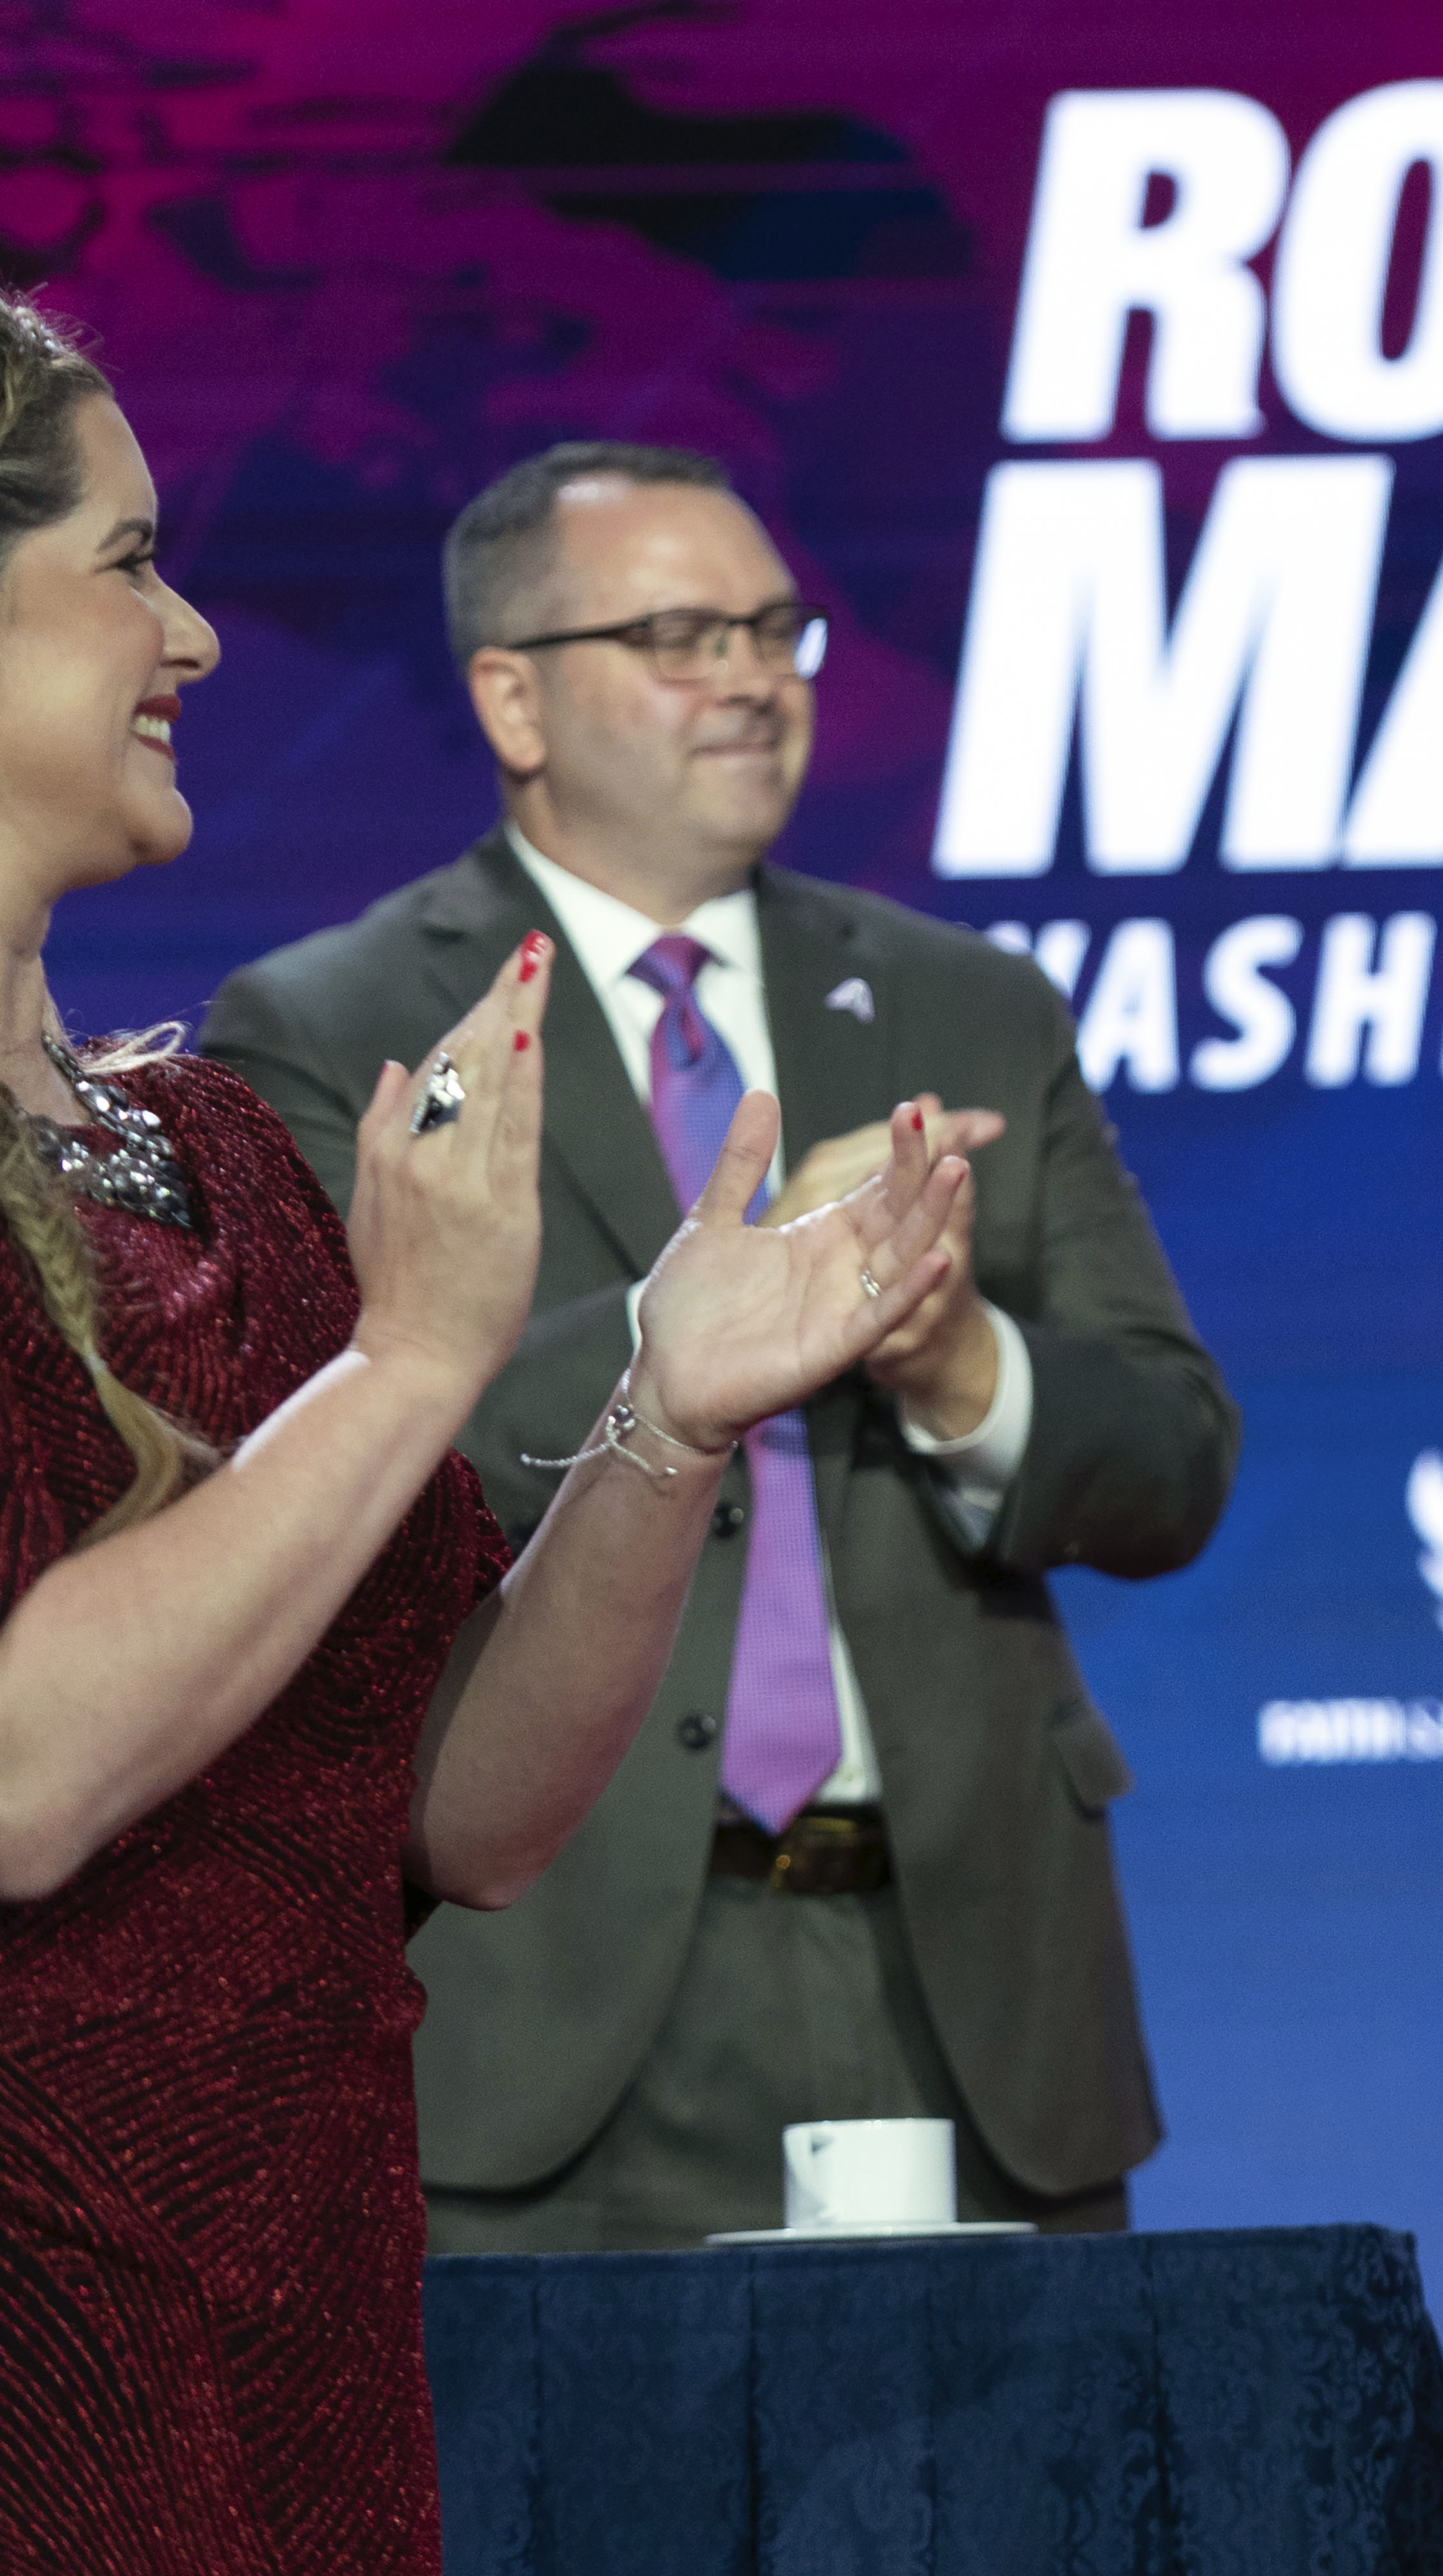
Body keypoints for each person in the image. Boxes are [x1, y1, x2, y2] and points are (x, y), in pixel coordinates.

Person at [0, 295, 968, 2569]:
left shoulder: (212, 1152)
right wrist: (414, 1362)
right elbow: (24, 1782)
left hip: (311, 2303)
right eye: (129, 561)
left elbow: (468, 1809)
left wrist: (669, 1408)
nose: (202, 633)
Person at [202, 442, 1236, 2249]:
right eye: (679, 633)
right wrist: (728, 1302)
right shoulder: (342, 1023)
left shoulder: (961, 1004)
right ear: (512, 697)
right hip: (557, 1992)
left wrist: (951, 1362)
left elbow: (1170, 1459)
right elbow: (340, 1465)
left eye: (774, 628)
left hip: (967, 1980)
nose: (752, 676)